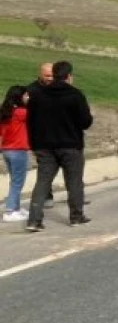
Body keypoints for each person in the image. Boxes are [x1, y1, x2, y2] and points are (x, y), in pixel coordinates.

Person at [25, 61, 93, 231]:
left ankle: (34, 220)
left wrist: (33, 144)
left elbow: (30, 122)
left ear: (53, 74)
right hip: (71, 145)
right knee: (74, 182)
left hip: (44, 145)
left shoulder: (38, 95)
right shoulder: (76, 95)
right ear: (69, 76)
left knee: (43, 182)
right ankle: (76, 216)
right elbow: (85, 122)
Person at [27, 62, 56, 209]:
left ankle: (77, 196)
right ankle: (46, 195)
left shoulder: (59, 89)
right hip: (39, 137)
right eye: (47, 76)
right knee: (45, 168)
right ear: (40, 74)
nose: (50, 78)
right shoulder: (31, 90)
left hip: (58, 135)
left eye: (52, 75)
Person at [1, 85, 31, 223]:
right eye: (26, 95)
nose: (28, 98)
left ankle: (16, 208)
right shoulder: (21, 113)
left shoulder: (5, 112)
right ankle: (10, 210)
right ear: (20, 97)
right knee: (18, 182)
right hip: (18, 150)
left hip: (6, 150)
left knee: (15, 181)